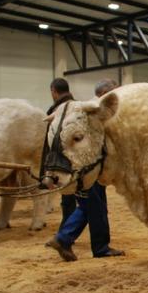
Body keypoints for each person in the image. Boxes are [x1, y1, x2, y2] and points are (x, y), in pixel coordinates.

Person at [45, 78, 124, 261]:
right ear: (105, 93)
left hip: (81, 168)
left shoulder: (80, 109)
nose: (117, 95)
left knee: (88, 206)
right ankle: (94, 246)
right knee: (95, 207)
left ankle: (65, 238)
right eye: (114, 91)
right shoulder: (90, 111)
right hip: (88, 168)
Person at [47, 78, 77, 229]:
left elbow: (55, 143)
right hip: (75, 161)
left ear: (54, 91)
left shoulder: (60, 110)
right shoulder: (76, 106)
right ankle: (66, 232)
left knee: (69, 200)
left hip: (64, 163)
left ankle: (65, 233)